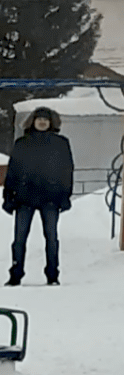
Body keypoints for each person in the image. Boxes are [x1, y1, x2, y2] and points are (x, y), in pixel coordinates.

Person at [4, 107, 74, 287]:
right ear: (32, 121)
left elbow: (67, 171)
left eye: (46, 119)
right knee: (19, 239)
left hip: (50, 198)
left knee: (51, 238)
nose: (42, 122)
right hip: (24, 198)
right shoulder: (22, 143)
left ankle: (52, 275)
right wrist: (8, 197)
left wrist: (65, 196)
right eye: (39, 119)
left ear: (52, 122)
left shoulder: (60, 143)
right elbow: (12, 171)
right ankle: (16, 274)